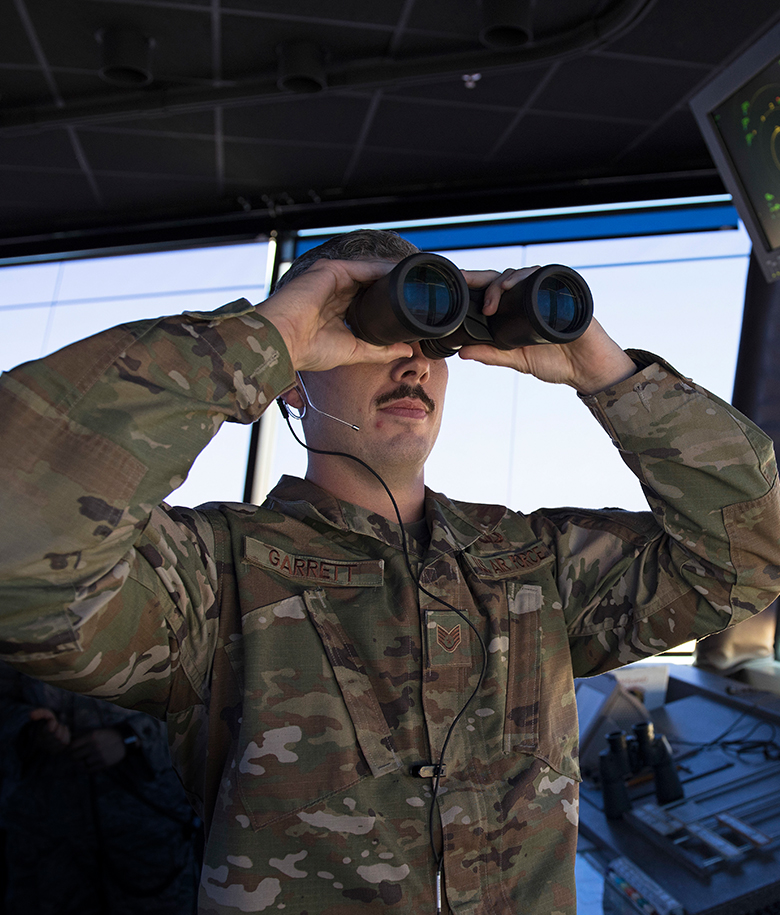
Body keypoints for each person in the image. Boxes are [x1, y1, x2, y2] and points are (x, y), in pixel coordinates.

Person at [0, 228, 779, 915]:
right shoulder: (213, 578)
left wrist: (609, 375)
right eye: (370, 327)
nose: (412, 358)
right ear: (293, 374)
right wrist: (258, 338)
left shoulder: (534, 566)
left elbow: (751, 557)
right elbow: (19, 545)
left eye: (433, 337)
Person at [0, 663, 200, 915]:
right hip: (48, 846)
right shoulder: (15, 624)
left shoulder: (165, 623)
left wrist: (132, 736)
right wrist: (31, 730)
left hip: (147, 840)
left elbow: (207, 708)